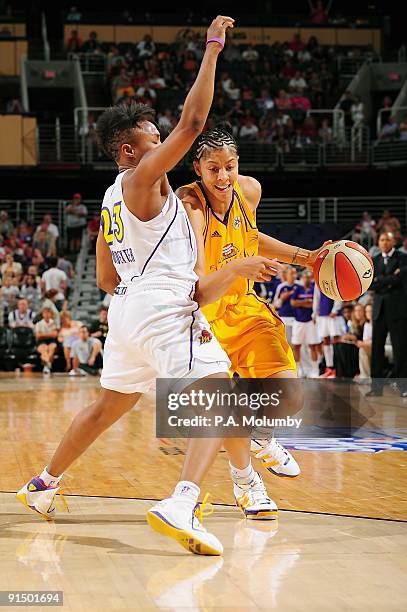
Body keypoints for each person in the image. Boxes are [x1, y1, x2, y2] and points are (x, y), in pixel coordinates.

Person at [17, 16, 282, 557]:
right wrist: (211, 50)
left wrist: (229, 271)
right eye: (153, 141)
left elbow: (107, 277)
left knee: (107, 407)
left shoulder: (112, 199)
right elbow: (194, 122)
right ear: (127, 154)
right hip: (159, 308)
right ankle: (183, 500)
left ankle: (43, 483)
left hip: (131, 310)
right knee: (219, 393)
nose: (165, 147)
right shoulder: (140, 180)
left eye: (160, 140)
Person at [176, 123, 326, 468]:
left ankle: (259, 432)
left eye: (230, 166)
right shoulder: (190, 204)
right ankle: (244, 479)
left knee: (290, 397)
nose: (223, 176)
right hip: (205, 313)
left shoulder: (250, 190)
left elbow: (251, 237)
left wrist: (307, 257)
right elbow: (200, 279)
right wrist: (239, 268)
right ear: (198, 169)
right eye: (213, 169)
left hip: (245, 307)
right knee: (217, 409)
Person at [366, 232, 407, 397]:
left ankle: (403, 387)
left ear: (394, 241)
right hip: (379, 311)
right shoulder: (374, 260)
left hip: (398, 311)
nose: (384, 242)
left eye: (387, 239)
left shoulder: (403, 257)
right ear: (378, 242)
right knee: (376, 350)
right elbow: (369, 284)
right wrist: (389, 279)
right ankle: (376, 388)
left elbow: (400, 280)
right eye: (382, 240)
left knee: (401, 350)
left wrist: (379, 281)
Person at [290, 270, 320, 378]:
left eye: (309, 277)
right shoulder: (297, 288)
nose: (307, 279)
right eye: (305, 277)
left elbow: (315, 304)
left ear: (311, 278)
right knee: (296, 346)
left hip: (311, 321)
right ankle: (298, 370)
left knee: (313, 346)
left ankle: (315, 370)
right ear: (302, 278)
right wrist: (305, 302)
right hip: (298, 321)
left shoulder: (314, 288)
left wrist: (301, 303)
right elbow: (293, 303)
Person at [313, 286, 344, 378]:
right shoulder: (318, 279)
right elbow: (316, 297)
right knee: (325, 340)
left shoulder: (335, 275)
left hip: (334, 315)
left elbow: (339, 292)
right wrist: (314, 312)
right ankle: (329, 367)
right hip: (323, 314)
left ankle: (339, 367)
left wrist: (336, 309)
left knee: (336, 340)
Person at [34, 307, 59, 374]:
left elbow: (55, 335)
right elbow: (38, 336)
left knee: (52, 347)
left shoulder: (53, 323)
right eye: (45, 313)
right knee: (44, 348)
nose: (47, 314)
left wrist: (43, 334)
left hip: (51, 341)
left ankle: (46, 366)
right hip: (41, 341)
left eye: (48, 313)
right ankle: (48, 364)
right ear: (42, 314)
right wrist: (49, 334)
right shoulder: (39, 324)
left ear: (51, 314)